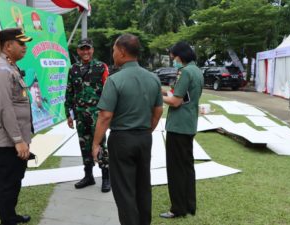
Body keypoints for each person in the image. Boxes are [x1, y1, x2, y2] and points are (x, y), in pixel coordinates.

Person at [92, 34, 163, 225]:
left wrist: (96, 143)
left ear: (122, 52)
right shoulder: (153, 78)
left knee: (124, 190)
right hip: (144, 138)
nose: (113, 54)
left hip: (122, 139)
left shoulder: (115, 80)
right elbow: (158, 111)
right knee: (142, 186)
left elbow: (105, 116)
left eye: (114, 50)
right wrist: (147, 131)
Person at [0, 28, 33, 225]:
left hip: (16, 140)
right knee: (7, 183)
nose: (25, 47)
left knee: (15, 180)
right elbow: (6, 108)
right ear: (8, 46)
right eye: (21, 43)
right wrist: (18, 140)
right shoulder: (1, 70)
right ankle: (7, 221)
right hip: (7, 141)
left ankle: (11, 215)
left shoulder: (10, 67)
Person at [159, 41, 203, 219]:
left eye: (174, 57)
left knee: (176, 168)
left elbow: (176, 101)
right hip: (189, 124)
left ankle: (177, 208)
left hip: (178, 126)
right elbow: (184, 96)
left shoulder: (185, 72)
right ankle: (189, 204)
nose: (173, 60)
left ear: (181, 56)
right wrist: (167, 93)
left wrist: (158, 94)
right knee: (187, 167)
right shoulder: (197, 71)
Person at [64, 38, 111, 192]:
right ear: (78, 51)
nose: (85, 52)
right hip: (80, 115)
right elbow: (69, 92)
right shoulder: (73, 69)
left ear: (92, 50)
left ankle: (106, 178)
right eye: (82, 49)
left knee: (101, 145)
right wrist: (68, 114)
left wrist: (107, 113)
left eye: (88, 49)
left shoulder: (101, 67)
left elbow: (108, 91)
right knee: (84, 145)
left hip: (96, 115)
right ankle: (88, 176)